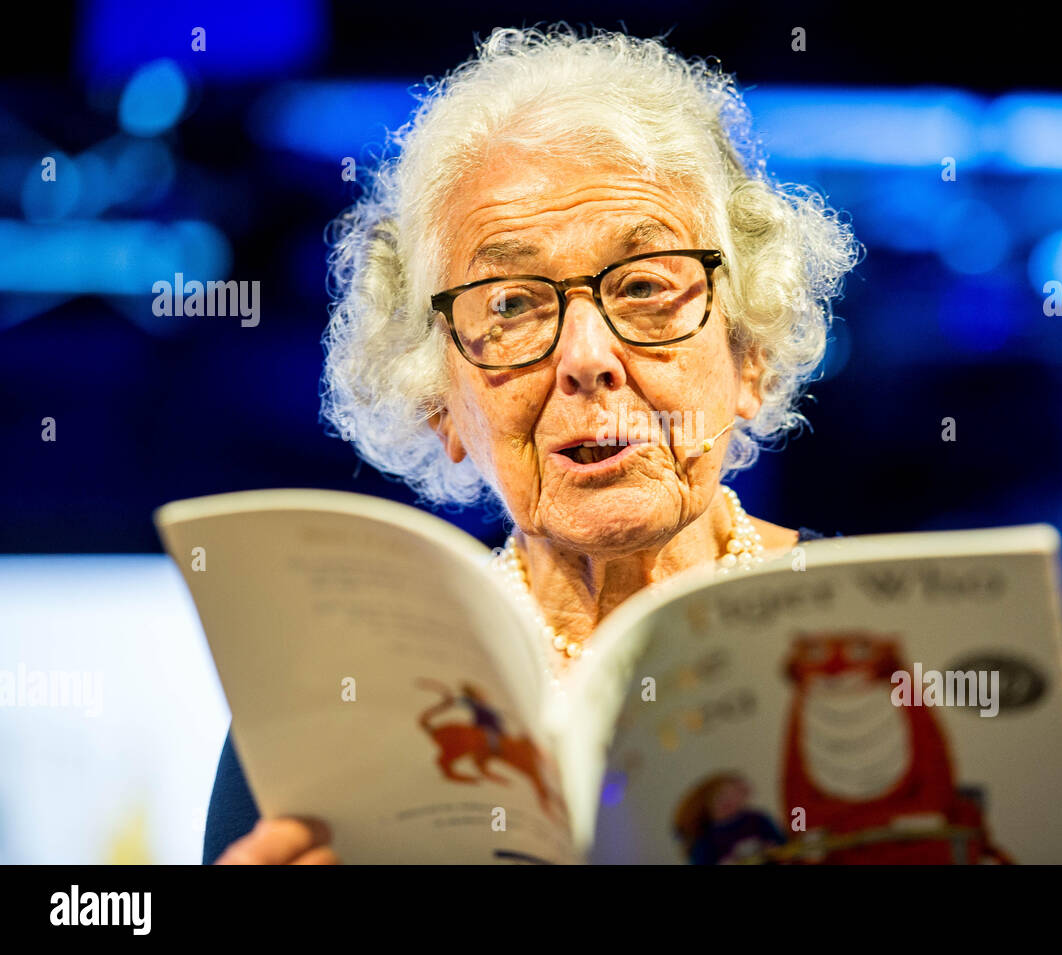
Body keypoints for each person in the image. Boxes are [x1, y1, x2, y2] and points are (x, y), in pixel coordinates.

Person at [205, 24, 859, 864]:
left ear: (750, 355)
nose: (586, 358)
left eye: (646, 285)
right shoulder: (322, 716)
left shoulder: (895, 641)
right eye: (511, 304)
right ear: (439, 402)